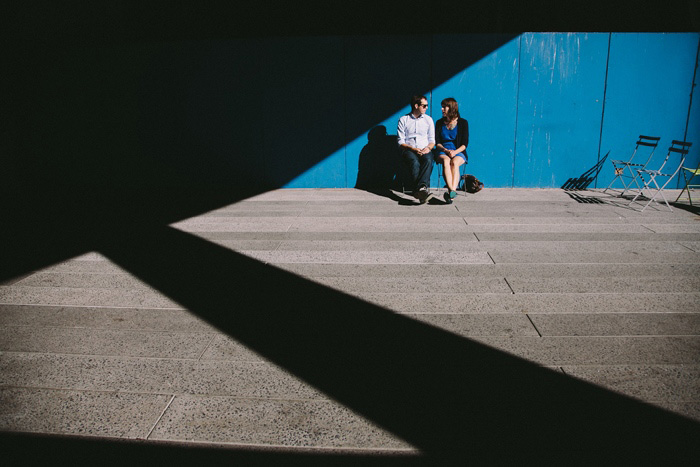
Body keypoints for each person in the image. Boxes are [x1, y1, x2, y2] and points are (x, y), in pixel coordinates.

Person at [397, 95, 435, 203]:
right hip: (409, 150)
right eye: (424, 105)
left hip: (425, 149)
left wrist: (428, 148)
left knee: (428, 159)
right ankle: (422, 190)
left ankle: (420, 189)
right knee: (414, 162)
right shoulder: (404, 120)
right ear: (416, 105)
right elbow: (400, 142)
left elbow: (432, 140)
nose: (426, 108)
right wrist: (413, 149)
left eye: (427, 106)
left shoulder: (428, 120)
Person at [434, 97, 469, 204]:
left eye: (444, 107)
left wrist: (454, 152)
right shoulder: (439, 123)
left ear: (452, 108)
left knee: (454, 162)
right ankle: (453, 191)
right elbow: (437, 142)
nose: (442, 109)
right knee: (446, 161)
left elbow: (464, 144)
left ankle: (451, 191)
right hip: (443, 151)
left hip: (459, 151)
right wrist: (445, 150)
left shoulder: (463, 123)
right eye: (442, 107)